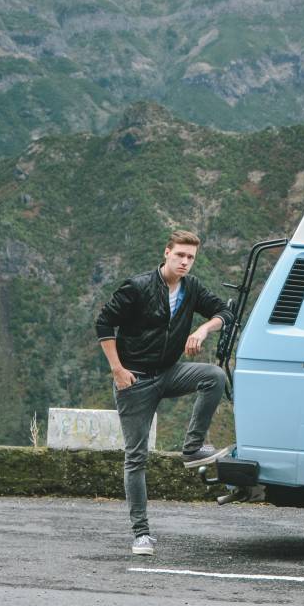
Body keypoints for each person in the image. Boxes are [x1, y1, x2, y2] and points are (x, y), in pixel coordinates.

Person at [95, 229, 234, 556]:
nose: (185, 262)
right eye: (180, 255)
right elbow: (104, 323)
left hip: (170, 372)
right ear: (167, 253)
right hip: (135, 380)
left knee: (214, 376)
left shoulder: (191, 288)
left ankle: (193, 446)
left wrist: (202, 328)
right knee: (136, 457)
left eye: (190, 258)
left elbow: (224, 314)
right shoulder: (138, 287)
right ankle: (141, 534)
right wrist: (117, 369)